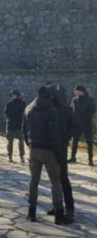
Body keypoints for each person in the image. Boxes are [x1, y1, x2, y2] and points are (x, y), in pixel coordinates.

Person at [22, 85, 72, 225]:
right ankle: (59, 213)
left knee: (34, 181)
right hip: (49, 150)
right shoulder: (51, 111)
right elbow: (53, 133)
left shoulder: (29, 109)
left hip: (34, 149)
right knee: (55, 182)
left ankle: (31, 211)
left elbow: (24, 129)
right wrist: (58, 150)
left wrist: (29, 143)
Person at [46, 85, 76, 221]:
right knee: (55, 179)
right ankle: (58, 206)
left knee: (62, 178)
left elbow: (74, 128)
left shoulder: (65, 111)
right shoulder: (49, 110)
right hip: (52, 148)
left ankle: (69, 208)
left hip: (59, 148)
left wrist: (65, 138)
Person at [69, 85, 96, 166]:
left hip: (86, 123)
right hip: (76, 123)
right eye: (76, 91)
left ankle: (90, 159)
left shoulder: (89, 99)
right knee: (74, 140)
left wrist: (84, 117)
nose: (76, 92)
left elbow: (92, 110)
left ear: (82, 91)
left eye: (78, 91)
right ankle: (73, 157)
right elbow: (72, 110)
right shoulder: (74, 100)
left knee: (89, 141)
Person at [5, 89, 26, 163]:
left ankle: (22, 156)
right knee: (10, 142)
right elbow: (6, 113)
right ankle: (10, 155)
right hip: (11, 125)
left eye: (14, 95)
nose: (13, 96)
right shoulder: (9, 103)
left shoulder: (22, 103)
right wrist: (10, 118)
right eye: (12, 95)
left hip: (19, 125)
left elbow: (24, 113)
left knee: (21, 142)